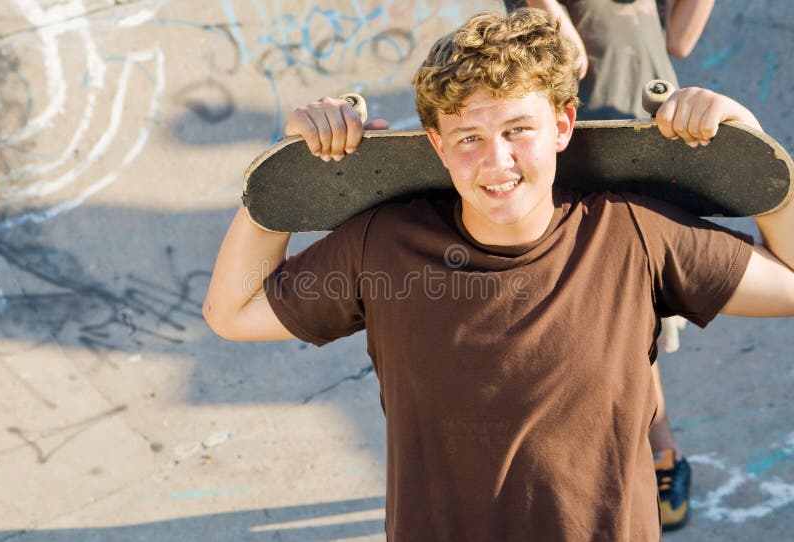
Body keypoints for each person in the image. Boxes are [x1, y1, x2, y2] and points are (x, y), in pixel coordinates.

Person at [203, 8, 793, 541]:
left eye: (518, 130)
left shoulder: (631, 233)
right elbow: (231, 312)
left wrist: (754, 158)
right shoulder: (385, 247)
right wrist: (284, 179)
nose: (497, 161)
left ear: (562, 125)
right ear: (436, 145)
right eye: (468, 138)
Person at [518, 0, 715, 529]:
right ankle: (645, 453)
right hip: (577, 145)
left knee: (642, 319)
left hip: (650, 136)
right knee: (602, 316)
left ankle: (655, 452)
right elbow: (560, 45)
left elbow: (680, 40)